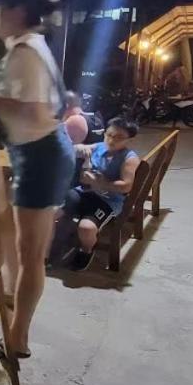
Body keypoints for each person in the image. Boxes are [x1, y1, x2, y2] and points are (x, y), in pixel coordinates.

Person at [0, 0, 75, 364]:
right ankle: (11, 291)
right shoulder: (24, 48)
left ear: (18, 12)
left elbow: (35, 112)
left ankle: (16, 337)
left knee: (31, 255)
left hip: (42, 156)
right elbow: (26, 99)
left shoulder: (26, 52)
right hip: (35, 154)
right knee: (9, 229)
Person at [62, 117, 141, 272]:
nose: (111, 140)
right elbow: (73, 150)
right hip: (84, 192)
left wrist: (99, 183)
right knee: (52, 209)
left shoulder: (129, 159)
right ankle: (46, 247)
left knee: (86, 228)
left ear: (130, 140)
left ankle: (86, 250)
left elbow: (126, 186)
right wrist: (79, 148)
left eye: (119, 137)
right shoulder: (99, 146)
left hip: (108, 200)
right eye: (109, 135)